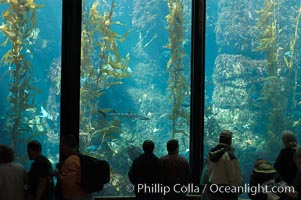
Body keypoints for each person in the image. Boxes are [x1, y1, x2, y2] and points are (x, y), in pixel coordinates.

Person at [207, 130, 243, 200]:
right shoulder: (229, 155)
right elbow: (235, 177)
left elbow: (208, 171)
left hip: (213, 189)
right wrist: (236, 190)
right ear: (230, 140)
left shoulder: (211, 154)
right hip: (227, 192)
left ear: (219, 139)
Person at [56, 134, 92, 200]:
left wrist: (57, 174)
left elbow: (69, 182)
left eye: (62, 144)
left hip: (76, 196)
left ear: (65, 145)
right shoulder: (80, 158)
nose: (60, 147)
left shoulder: (71, 161)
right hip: (85, 196)